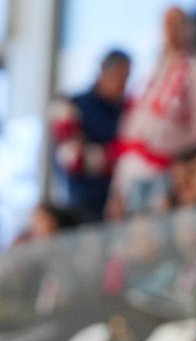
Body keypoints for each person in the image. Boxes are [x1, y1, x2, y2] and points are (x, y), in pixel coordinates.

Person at [108, 6, 196, 217]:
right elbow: (130, 133)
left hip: (164, 178)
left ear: (189, 29)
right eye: (167, 25)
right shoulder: (151, 74)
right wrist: (116, 191)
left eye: (178, 25)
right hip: (130, 178)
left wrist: (192, 180)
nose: (172, 31)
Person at [49, 49, 132, 221]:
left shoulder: (126, 110)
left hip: (119, 206)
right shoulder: (71, 106)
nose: (123, 85)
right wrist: (115, 156)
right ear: (104, 73)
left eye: (126, 79)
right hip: (81, 206)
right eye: (120, 77)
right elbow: (73, 159)